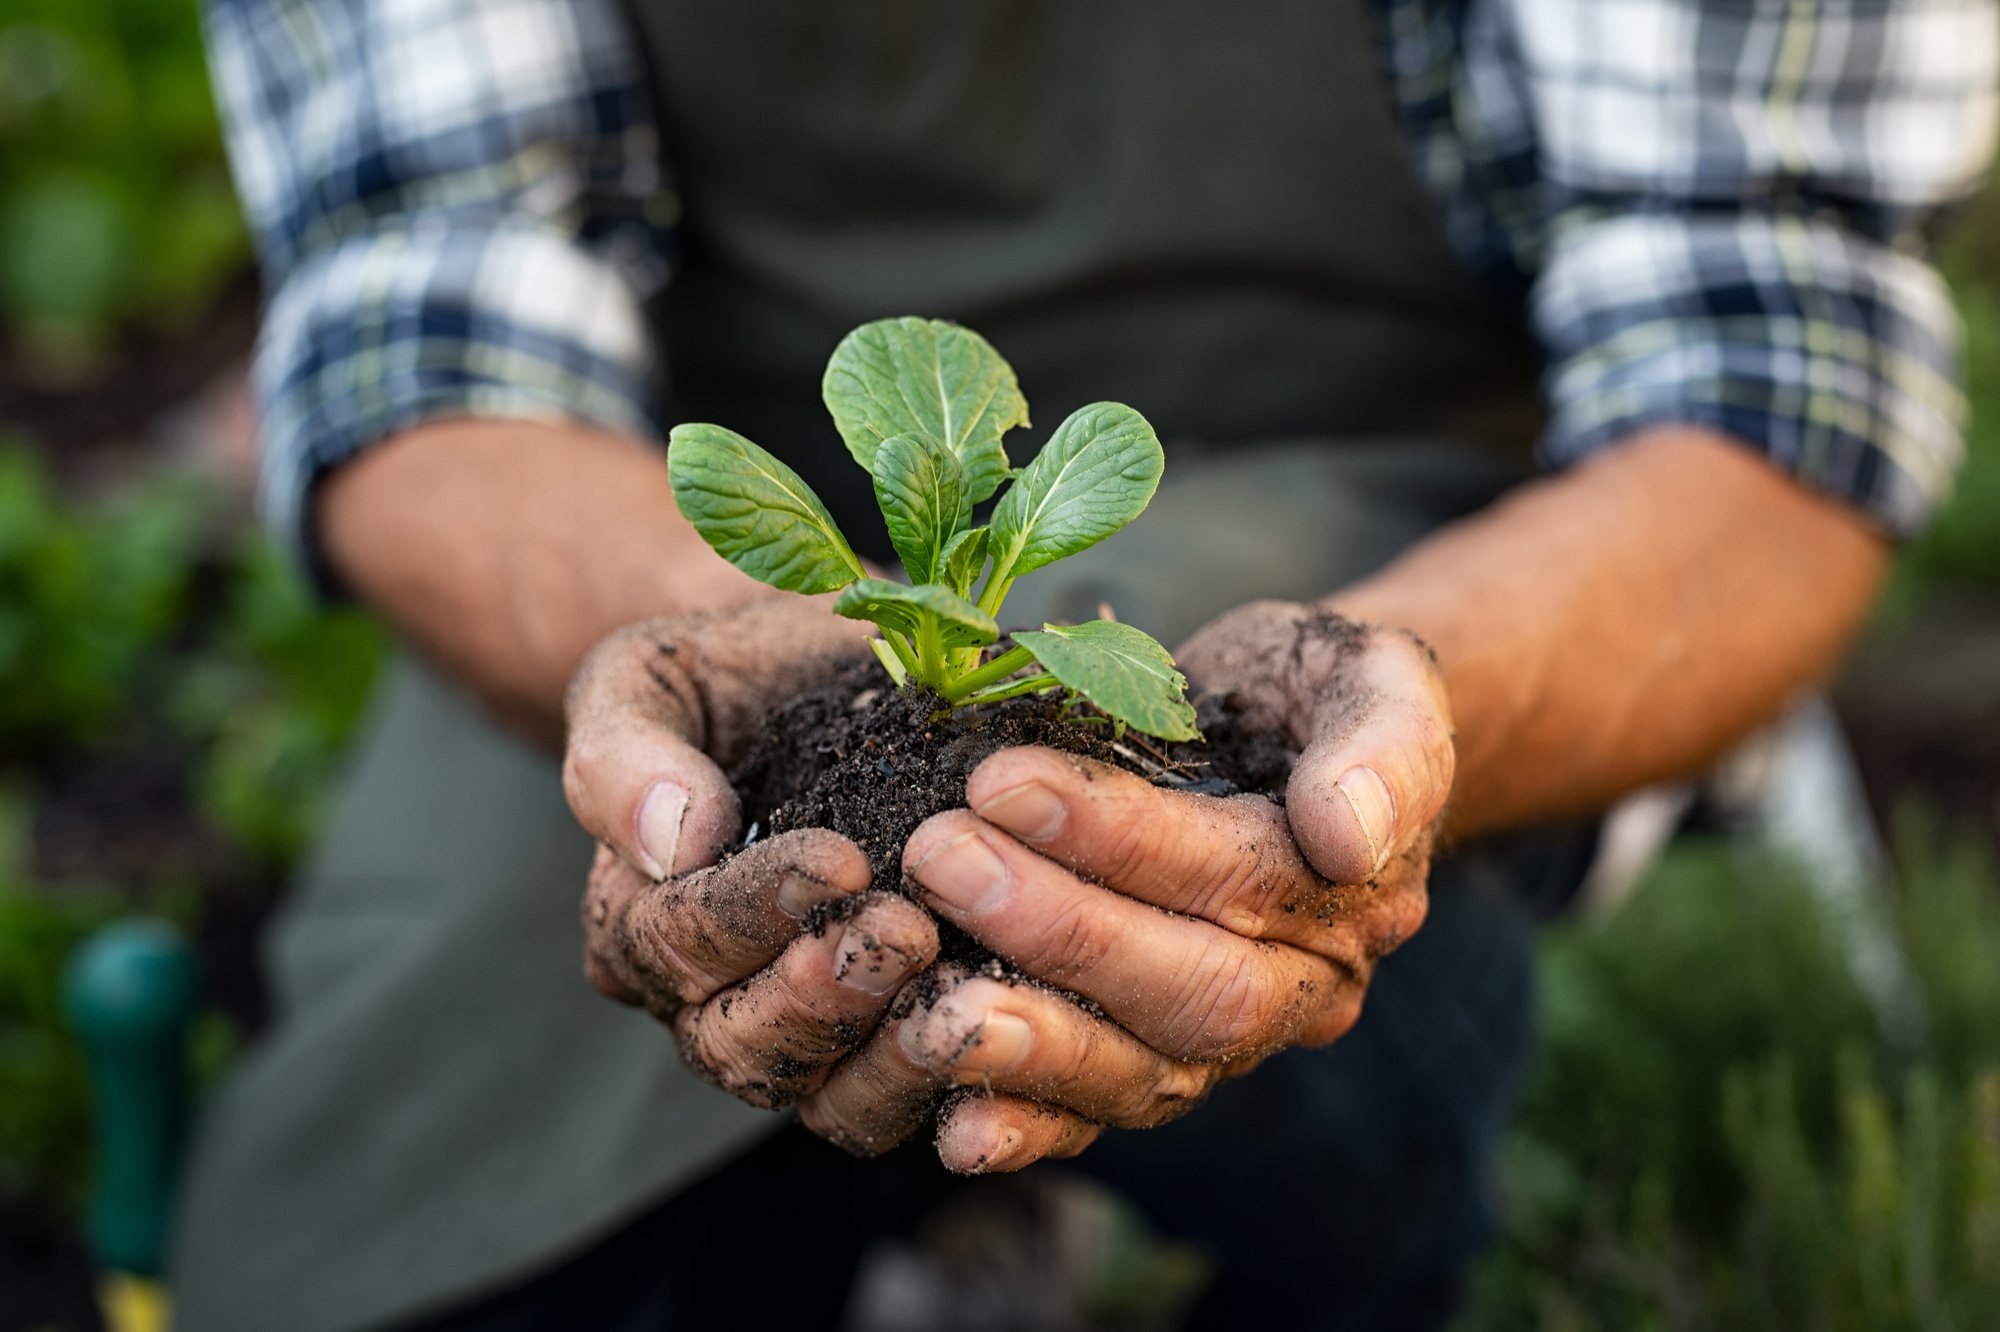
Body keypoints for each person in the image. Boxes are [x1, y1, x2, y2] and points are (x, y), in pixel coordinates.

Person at [174, 1, 1997, 1328]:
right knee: (427, 1209)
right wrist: (693, 669)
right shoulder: (716, 618)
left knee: (1302, 1052)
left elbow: (1760, 383)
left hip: (1425, 522)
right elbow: (424, 309)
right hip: (657, 542)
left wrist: (1418, 706)